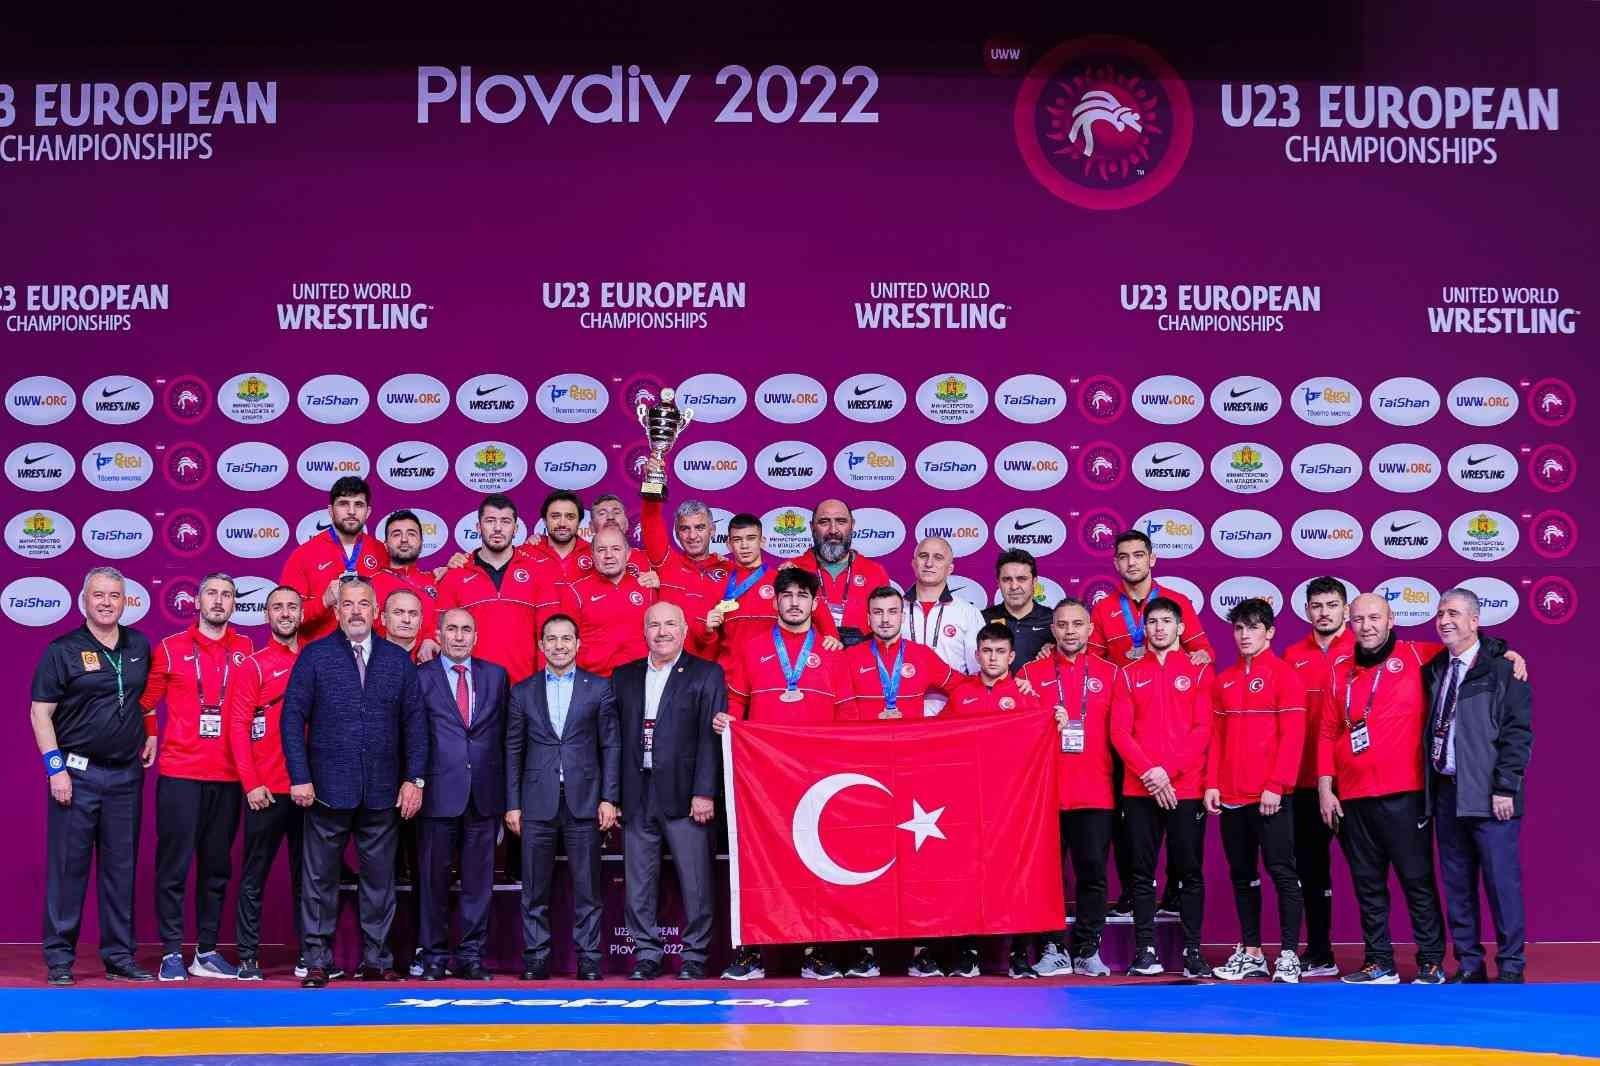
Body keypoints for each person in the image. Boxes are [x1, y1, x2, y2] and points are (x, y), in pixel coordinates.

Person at [281, 577, 428, 988]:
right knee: (318, 881)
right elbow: (292, 718)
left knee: (380, 883)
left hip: (382, 793)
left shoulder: (397, 660)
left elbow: (416, 725)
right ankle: (317, 961)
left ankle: (377, 961)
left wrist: (414, 779)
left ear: (376, 611)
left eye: (364, 604)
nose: (356, 611)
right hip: (325, 791)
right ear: (337, 611)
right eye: (348, 604)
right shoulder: (315, 656)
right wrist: (300, 777)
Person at [715, 566, 856, 981]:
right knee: (757, 864)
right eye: (787, 595)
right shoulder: (753, 648)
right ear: (775, 601)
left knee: (817, 864)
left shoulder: (833, 653)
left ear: (814, 603)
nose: (794, 603)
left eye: (802, 596)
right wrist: (728, 723)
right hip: (763, 780)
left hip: (817, 780)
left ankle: (818, 951)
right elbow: (736, 706)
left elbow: (848, 718)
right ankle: (750, 953)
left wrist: (841, 773)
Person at [30, 567, 157, 985]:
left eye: (114, 595)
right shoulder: (62, 650)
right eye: (98, 595)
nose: (106, 602)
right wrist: (56, 769)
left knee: (121, 870)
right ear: (84, 600)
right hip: (76, 775)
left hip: (125, 778)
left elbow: (145, 698)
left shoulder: (139, 645)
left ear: (125, 601)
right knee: (69, 869)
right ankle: (60, 959)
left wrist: (151, 732)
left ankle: (119, 957)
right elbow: (40, 713)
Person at [1316, 592, 1450, 985]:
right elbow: (1327, 732)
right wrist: (1325, 787)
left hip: (1404, 794)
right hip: (1353, 797)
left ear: (1391, 620)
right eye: (1359, 619)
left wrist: (1506, 652)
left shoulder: (1418, 654)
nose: (1367, 626)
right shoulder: (1339, 669)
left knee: (1417, 880)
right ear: (1349, 623)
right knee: (1367, 884)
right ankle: (1379, 962)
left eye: (1375, 618)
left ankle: (1431, 962)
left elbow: (1468, 650)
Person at [837, 586, 960, 980]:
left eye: (892, 612)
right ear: (867, 618)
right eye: (878, 612)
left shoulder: (921, 656)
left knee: (916, 864)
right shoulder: (850, 658)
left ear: (902, 616)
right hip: (865, 773)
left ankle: (922, 952)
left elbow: (963, 689)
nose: (885, 619)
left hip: (912, 774)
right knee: (866, 862)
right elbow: (838, 712)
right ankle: (865, 952)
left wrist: (934, 730)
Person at [1089, 530, 1213, 919]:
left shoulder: (1177, 601)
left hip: (1172, 728)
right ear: (1115, 563)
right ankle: (1132, 890)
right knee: (1128, 819)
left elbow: (1203, 652)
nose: (1132, 563)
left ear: (1152, 559)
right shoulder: (1104, 608)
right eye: (1124, 557)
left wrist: (1199, 657)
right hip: (1125, 725)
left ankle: (1175, 890)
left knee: (1179, 819)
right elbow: (1093, 663)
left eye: (1138, 555)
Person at [141, 572, 254, 981]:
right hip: (180, 773)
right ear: (197, 601)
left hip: (229, 776)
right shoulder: (170, 648)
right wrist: (152, 734)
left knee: (217, 868)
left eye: (227, 595)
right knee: (174, 867)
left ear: (235, 604)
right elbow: (146, 701)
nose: (219, 601)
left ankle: (206, 952)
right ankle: (172, 952)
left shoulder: (246, 648)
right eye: (211, 594)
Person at [505, 614, 621, 981]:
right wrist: (512, 803)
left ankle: (589, 959)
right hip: (535, 802)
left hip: (585, 801)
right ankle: (536, 958)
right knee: (533, 889)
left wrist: (609, 798)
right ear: (541, 645)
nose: (559, 645)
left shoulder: (599, 689)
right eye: (552, 639)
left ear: (577, 644)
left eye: (566, 638)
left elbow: (611, 746)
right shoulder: (522, 691)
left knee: (587, 889)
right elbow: (513, 750)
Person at [612, 602, 724, 981]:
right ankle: (647, 954)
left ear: (684, 630)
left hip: (687, 795)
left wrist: (704, 791)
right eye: (654, 625)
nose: (662, 632)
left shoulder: (706, 673)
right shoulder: (623, 676)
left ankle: (694, 956)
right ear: (643, 631)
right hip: (636, 793)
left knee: (696, 882)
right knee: (638, 884)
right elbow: (613, 740)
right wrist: (613, 795)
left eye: (670, 624)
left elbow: (711, 738)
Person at [1426, 588, 1532, 984]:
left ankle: (1511, 965)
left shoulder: (1503, 670)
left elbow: (1517, 734)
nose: (1445, 620)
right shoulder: (1435, 668)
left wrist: (1505, 787)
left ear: (1475, 621)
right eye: (1440, 614)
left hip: (1490, 794)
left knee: (1501, 885)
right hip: (1446, 792)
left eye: (1454, 613)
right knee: (1457, 885)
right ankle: (1469, 963)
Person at [1109, 597, 1215, 979]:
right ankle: (1145, 951)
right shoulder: (1127, 673)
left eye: (1166, 621)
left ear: (1180, 628)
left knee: (1189, 871)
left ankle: (1193, 952)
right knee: (1141, 873)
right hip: (1140, 790)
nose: (1159, 628)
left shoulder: (1200, 672)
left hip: (1185, 788)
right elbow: (1119, 732)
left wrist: (1166, 772)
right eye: (1152, 622)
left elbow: (1203, 730)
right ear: (1144, 629)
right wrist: (1150, 774)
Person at [1204, 598, 1306, 984]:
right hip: (1231, 797)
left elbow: (1293, 737)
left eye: (1253, 627)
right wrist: (1212, 783)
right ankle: (1251, 953)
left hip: (1270, 797)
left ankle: (1289, 955)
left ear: (1270, 632)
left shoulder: (1285, 676)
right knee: (1242, 875)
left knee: (1282, 873)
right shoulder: (1224, 680)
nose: (1245, 635)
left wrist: (1277, 785)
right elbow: (1216, 737)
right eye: (1239, 628)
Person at [1016, 597, 1117, 979]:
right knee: (1047, 877)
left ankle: (1088, 949)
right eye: (1062, 624)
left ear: (1090, 629)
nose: (1070, 631)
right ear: (1052, 629)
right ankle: (1053, 948)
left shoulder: (1111, 673)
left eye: (1077, 624)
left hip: (1096, 791)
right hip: (1044, 795)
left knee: (1093, 874)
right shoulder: (1029, 672)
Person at [945, 623, 1047, 979]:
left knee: (1017, 879)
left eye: (1000, 652)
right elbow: (937, 740)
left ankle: (1019, 956)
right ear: (976, 654)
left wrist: (1057, 718)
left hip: (1013, 805)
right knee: (967, 877)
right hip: (968, 803)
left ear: (1012, 656)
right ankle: (968, 955)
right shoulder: (960, 695)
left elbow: (1043, 739)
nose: (992, 658)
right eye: (987, 651)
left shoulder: (1026, 696)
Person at [415, 608, 509, 981]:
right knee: (432, 882)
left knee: (478, 884)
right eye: (451, 629)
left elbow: (505, 736)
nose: (458, 636)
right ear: (438, 635)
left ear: (476, 637)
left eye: (466, 630)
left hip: (484, 795)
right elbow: (412, 735)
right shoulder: (420, 677)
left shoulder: (496, 676)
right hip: (437, 795)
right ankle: (434, 957)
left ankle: (471, 956)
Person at [226, 586, 315, 982]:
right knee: (254, 877)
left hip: (309, 791)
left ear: (302, 614)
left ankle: (310, 955)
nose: (285, 613)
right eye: (277, 607)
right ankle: (248, 957)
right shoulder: (254, 665)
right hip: (266, 790)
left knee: (309, 879)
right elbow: (238, 726)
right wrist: (251, 783)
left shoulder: (315, 660)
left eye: (292, 607)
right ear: (267, 615)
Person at [1282, 577, 1355, 977]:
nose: (1324, 613)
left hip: (1354, 782)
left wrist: (1503, 651)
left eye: (1331, 605)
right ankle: (1320, 951)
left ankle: (1378, 956)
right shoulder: (1292, 655)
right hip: (1307, 783)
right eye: (1317, 606)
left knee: (1367, 869)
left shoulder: (1364, 648)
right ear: (1307, 610)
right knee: (1311, 871)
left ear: (1346, 608)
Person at [436, 494, 560, 684]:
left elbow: (550, 634)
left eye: (505, 521)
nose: (497, 528)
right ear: (478, 527)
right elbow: (441, 637)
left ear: (515, 528)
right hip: (472, 687)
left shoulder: (538, 573)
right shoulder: (455, 576)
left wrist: (543, 685)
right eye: (490, 521)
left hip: (525, 688)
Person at [704, 513, 842, 663]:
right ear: (728, 544)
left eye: (751, 538)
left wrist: (832, 638)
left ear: (762, 541)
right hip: (731, 673)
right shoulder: (718, 584)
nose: (744, 546)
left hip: (775, 670)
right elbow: (710, 641)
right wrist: (708, 632)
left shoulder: (783, 579)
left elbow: (828, 628)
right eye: (737, 540)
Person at [280, 476, 390, 642]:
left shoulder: (381, 551)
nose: (351, 511)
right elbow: (286, 616)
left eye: (358, 504)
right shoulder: (303, 554)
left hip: (373, 652)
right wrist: (324, 601)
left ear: (368, 512)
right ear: (331, 511)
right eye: (344, 504)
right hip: (322, 654)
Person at [786, 498, 892, 647]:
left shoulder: (875, 572)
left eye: (841, 521)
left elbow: (886, 628)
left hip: (861, 658)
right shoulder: (793, 569)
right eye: (824, 522)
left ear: (852, 525)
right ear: (812, 527)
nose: (833, 530)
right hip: (807, 658)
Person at [900, 537, 985, 716]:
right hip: (901, 710)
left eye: (938, 557)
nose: (929, 563)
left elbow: (978, 672)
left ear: (950, 568)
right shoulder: (893, 610)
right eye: (923, 556)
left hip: (953, 713)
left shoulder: (968, 612)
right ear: (914, 564)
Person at [639, 491, 727, 657]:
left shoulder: (729, 571)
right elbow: (650, 520)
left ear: (712, 530)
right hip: (668, 664)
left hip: (710, 667)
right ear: (677, 533)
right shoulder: (666, 563)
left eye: (700, 527)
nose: (692, 536)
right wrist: (654, 482)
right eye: (685, 529)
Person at [571, 526, 658, 677]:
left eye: (616, 549)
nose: (609, 555)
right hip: (594, 681)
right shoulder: (575, 591)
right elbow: (567, 641)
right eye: (601, 550)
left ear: (628, 554)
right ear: (592, 555)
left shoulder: (647, 588)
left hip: (640, 679)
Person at [371, 509, 441, 661]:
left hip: (427, 670)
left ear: (421, 542)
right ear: (386, 544)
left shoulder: (436, 581)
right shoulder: (370, 585)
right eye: (396, 534)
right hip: (383, 668)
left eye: (411, 534)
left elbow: (446, 624)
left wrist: (431, 639)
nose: (404, 539)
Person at [982, 549, 1054, 665]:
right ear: (998, 583)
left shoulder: (1053, 619)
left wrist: (1057, 649)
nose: (1014, 586)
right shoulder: (981, 619)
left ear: (1034, 582)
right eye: (1007, 579)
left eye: (1022, 579)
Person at [588, 492, 653, 575]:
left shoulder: (650, 561)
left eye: (616, 512)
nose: (610, 517)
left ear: (626, 524)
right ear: (592, 526)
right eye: (602, 514)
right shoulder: (578, 562)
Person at [381, 588, 426, 663]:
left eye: (413, 614)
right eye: (398, 613)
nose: (406, 620)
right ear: (384, 618)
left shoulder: (434, 659)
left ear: (421, 621)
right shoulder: (366, 657)